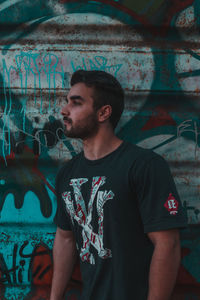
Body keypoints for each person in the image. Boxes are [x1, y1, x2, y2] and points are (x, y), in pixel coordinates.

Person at [50, 70, 187, 300]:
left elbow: (168, 244)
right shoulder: (67, 173)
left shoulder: (144, 166)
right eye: (67, 102)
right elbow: (65, 238)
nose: (64, 110)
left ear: (103, 112)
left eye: (76, 103)